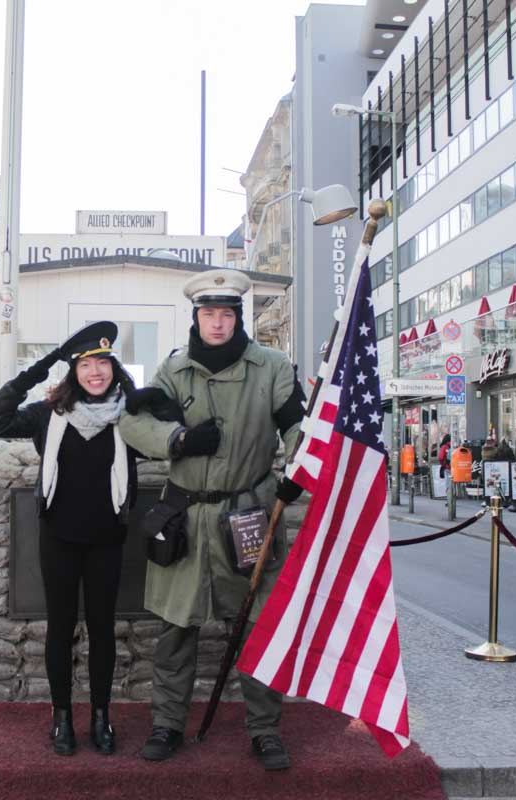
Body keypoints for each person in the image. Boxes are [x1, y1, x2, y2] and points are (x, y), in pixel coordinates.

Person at [119, 269, 306, 772]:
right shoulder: (173, 370)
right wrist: (176, 440)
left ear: (238, 317)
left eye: (226, 313)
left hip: (246, 516)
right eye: (208, 314)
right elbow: (134, 420)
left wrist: (297, 471)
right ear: (196, 318)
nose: (218, 323)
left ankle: (265, 730)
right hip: (184, 516)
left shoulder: (271, 367)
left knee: (255, 627)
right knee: (175, 630)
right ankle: (167, 723)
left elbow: (297, 426)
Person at [0, 322, 139, 757]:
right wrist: (38, 369)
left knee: (103, 629)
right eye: (86, 364)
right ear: (73, 372)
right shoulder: (48, 414)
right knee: (61, 628)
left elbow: (169, 434)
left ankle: (102, 717)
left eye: (103, 363)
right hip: (59, 539)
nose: (96, 372)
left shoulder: (131, 415)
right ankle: (62, 716)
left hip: (107, 538)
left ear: (114, 369)